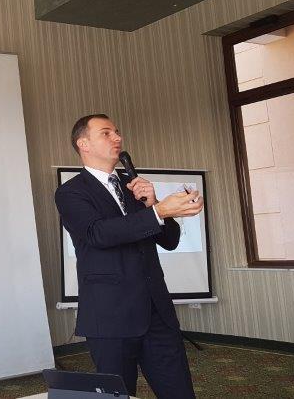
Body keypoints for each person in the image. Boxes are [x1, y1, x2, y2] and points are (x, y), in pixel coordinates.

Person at [54, 114, 204, 399]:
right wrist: (159, 211)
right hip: (110, 317)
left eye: (117, 132)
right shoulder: (70, 192)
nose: (118, 138)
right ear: (83, 144)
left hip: (157, 314)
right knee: (117, 396)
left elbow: (170, 241)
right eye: (106, 133)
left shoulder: (133, 185)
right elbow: (98, 233)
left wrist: (153, 203)